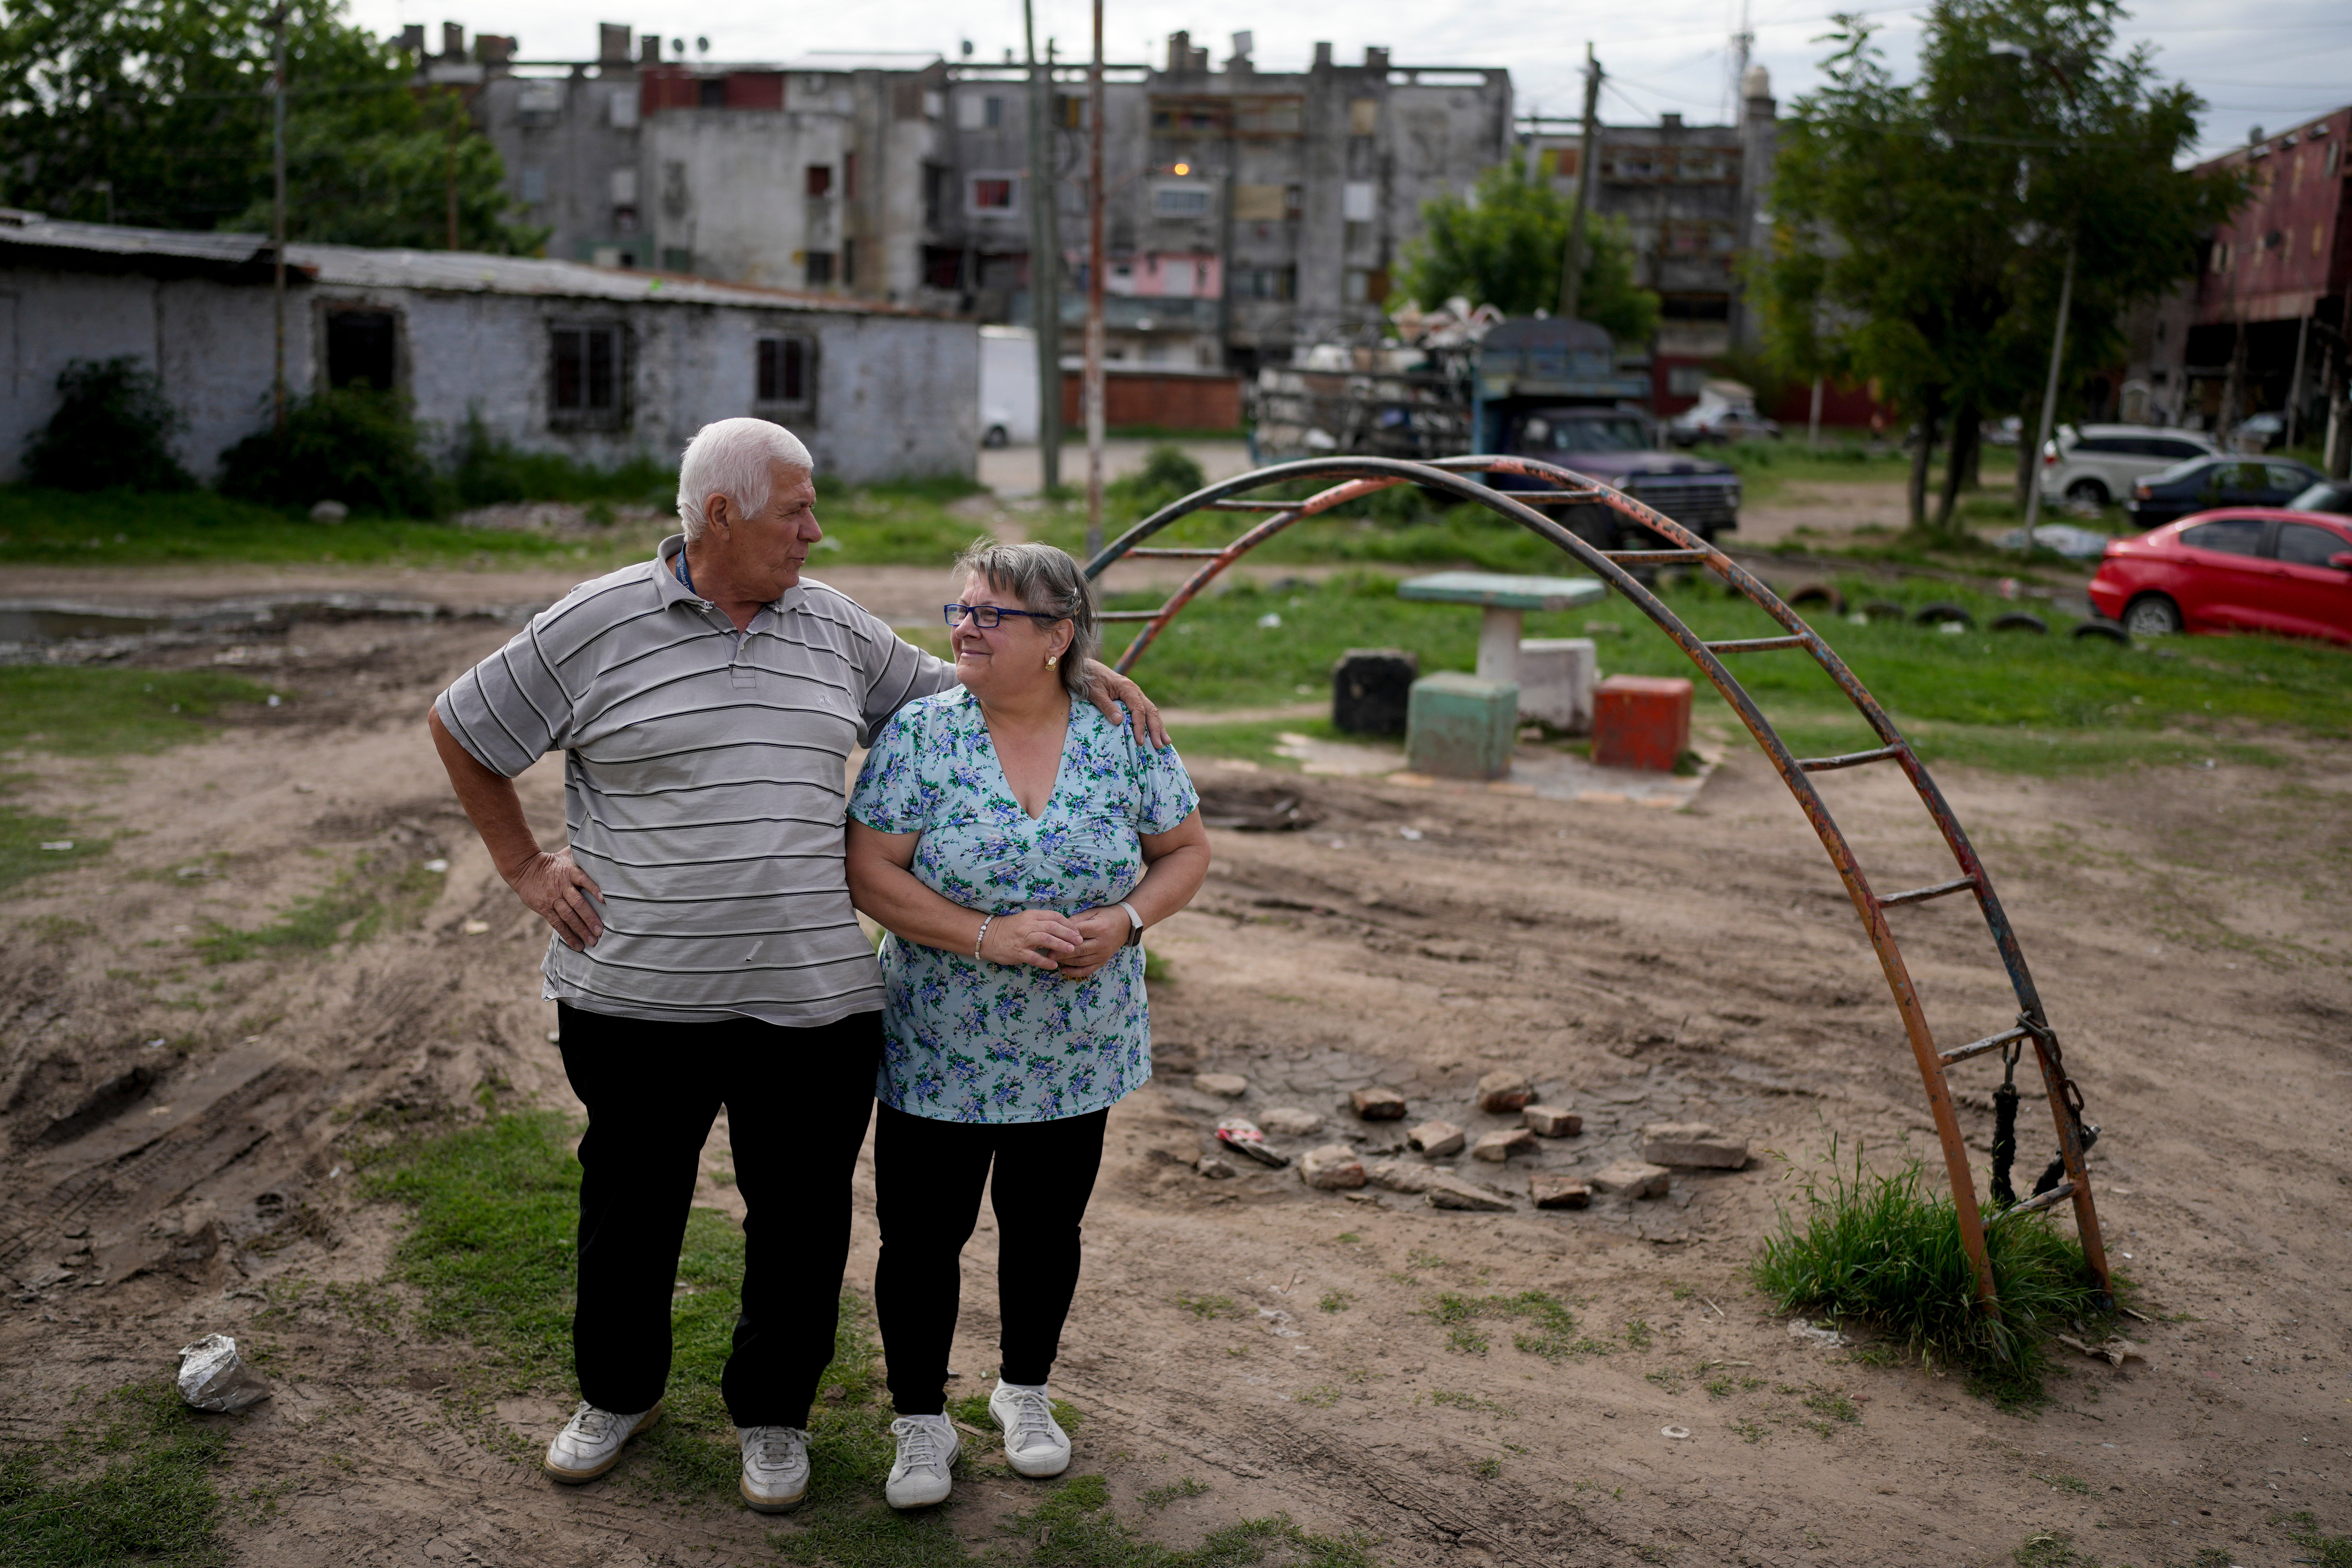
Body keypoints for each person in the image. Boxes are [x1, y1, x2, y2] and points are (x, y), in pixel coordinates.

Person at [425, 420, 1165, 1514]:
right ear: (719, 516)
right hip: (636, 995)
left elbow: (963, 689)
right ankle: (617, 1397)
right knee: (631, 1208)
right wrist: (527, 864)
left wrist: (1076, 672)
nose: (816, 533)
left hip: (813, 1003)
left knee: (803, 1221)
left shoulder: (835, 629)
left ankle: (772, 1419)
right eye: (796, 513)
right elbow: (465, 728)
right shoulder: (595, 623)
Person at [843, 542, 1209, 1510]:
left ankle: (1024, 1393)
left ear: (1058, 636)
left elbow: (1184, 850)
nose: (964, 627)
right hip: (941, 1044)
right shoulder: (922, 736)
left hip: (1077, 1051)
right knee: (923, 1237)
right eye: (960, 608)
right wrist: (983, 936)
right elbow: (869, 871)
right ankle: (920, 1421)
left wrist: (1127, 921)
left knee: (1046, 1230)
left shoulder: (1121, 733)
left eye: (992, 615)